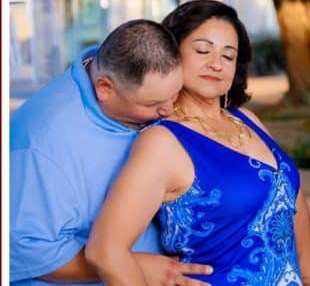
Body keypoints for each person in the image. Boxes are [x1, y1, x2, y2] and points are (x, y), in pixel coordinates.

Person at [86, 0, 310, 286]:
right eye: (202, 50)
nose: (216, 64)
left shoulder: (247, 120)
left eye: (229, 55)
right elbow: (104, 251)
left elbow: (291, 197)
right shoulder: (163, 141)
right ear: (172, 54)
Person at [10, 19, 214, 286]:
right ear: (104, 88)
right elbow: (24, 248)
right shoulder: (41, 142)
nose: (168, 111)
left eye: (174, 95)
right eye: (152, 104)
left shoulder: (120, 67)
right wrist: (132, 266)